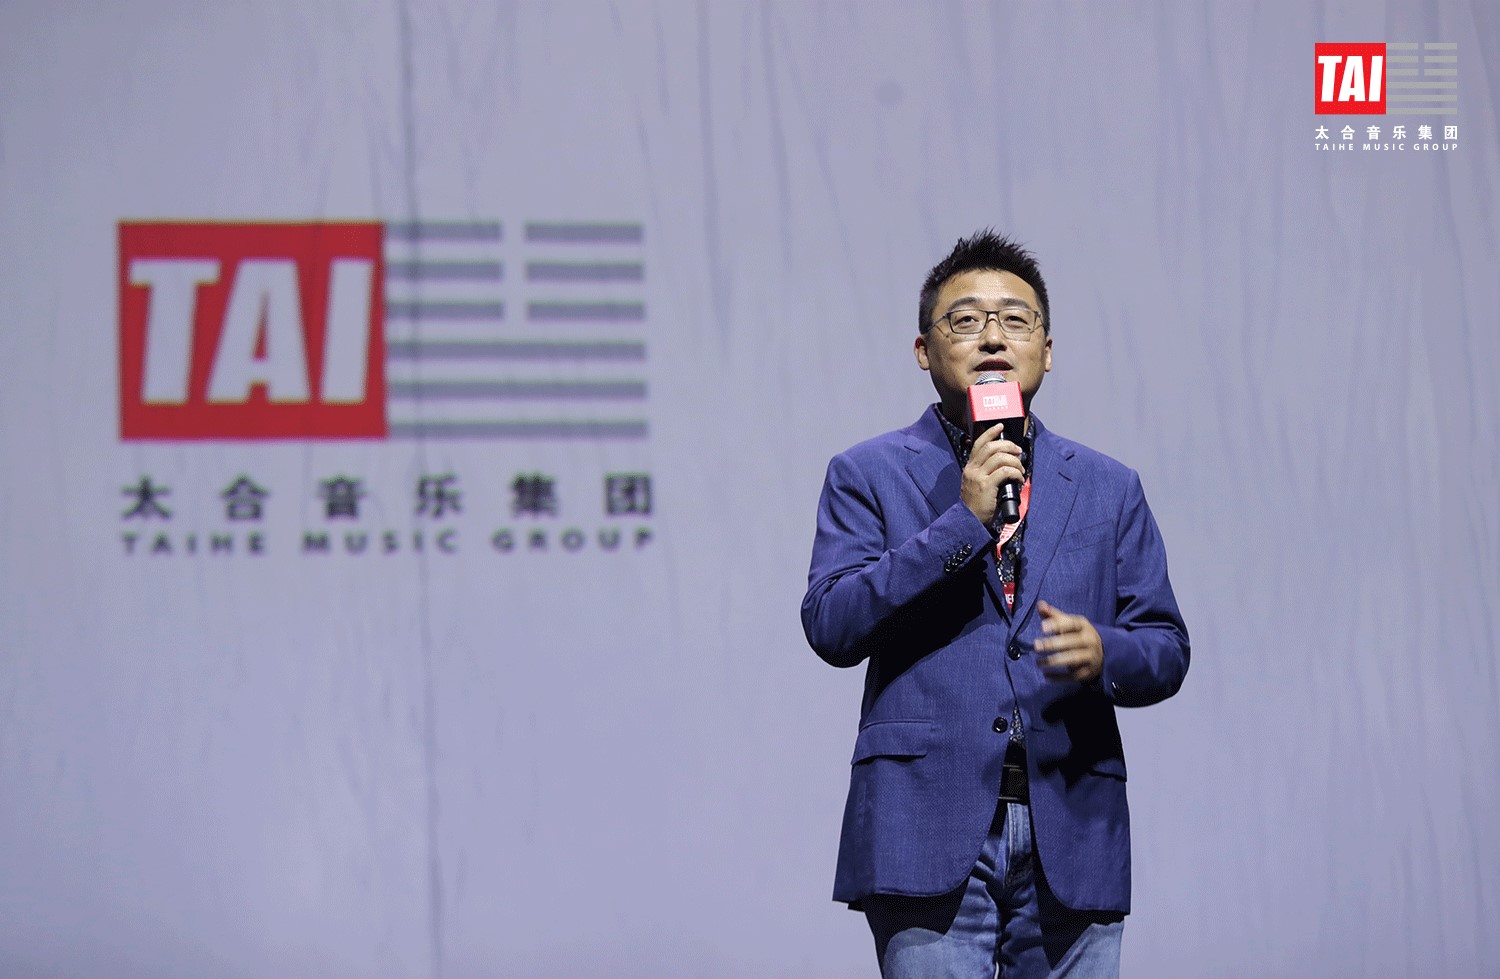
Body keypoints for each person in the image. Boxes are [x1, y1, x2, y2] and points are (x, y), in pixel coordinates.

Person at [801, 230, 1189, 978]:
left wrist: (1106, 650)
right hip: (924, 822)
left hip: (1072, 821)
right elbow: (832, 622)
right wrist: (962, 524)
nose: (992, 337)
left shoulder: (1109, 486)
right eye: (966, 320)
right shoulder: (867, 472)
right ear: (924, 349)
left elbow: (1167, 646)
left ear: (1047, 349)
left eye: (1015, 319)